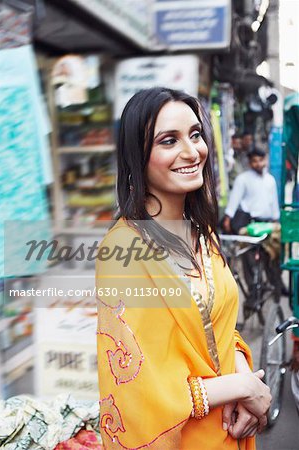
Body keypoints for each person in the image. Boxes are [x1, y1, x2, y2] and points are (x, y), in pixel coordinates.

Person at [96, 88, 271, 450]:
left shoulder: (202, 232)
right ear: (137, 157)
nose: (193, 152)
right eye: (168, 140)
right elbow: (139, 392)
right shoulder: (123, 251)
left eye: (195, 134)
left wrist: (240, 370)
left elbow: (217, 327)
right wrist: (243, 388)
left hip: (230, 434)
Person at [222, 148, 282, 300]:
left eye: (261, 160)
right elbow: (234, 199)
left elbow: (273, 202)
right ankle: (253, 291)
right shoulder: (243, 179)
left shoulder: (270, 180)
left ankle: (276, 284)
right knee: (247, 257)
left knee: (273, 254)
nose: (258, 164)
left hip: (267, 224)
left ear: (265, 160)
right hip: (250, 225)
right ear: (250, 163)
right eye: (255, 161)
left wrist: (276, 219)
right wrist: (228, 217)